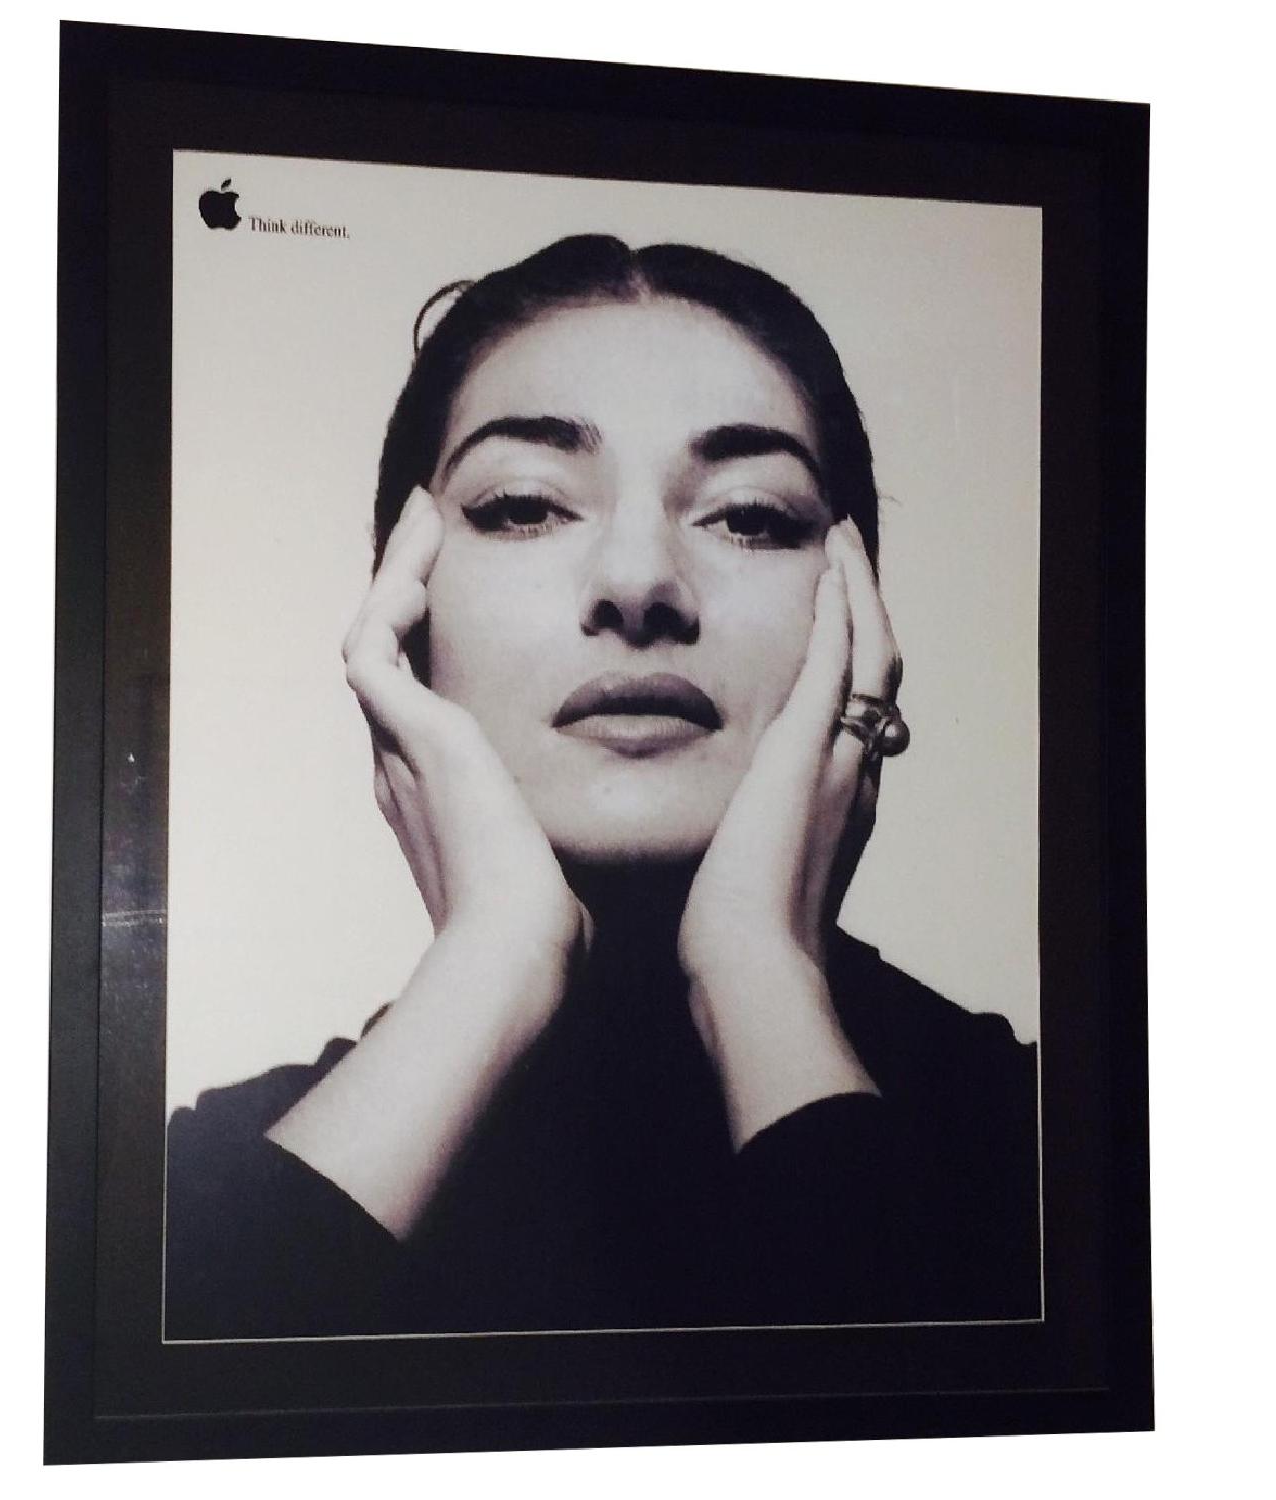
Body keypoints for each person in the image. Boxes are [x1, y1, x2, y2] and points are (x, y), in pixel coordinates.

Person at [165, 235, 1039, 1339]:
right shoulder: (206, 1191)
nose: (639, 582)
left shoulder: (1056, 1156)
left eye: (751, 515)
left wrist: (760, 972)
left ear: (859, 621)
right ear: (405, 615)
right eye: (524, 505)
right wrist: (491, 965)